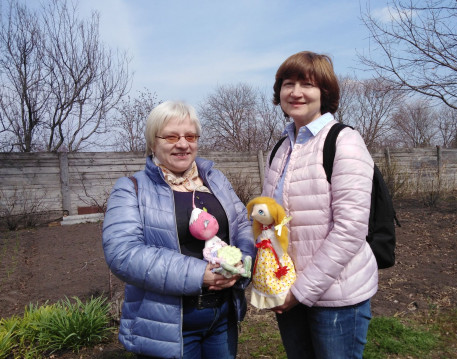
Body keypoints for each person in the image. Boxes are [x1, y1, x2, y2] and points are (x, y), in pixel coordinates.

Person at [102, 100, 256, 359]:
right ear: (153, 142)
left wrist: (243, 262)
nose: (183, 144)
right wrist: (200, 275)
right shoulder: (131, 188)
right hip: (169, 326)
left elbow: (242, 223)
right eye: (171, 136)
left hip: (222, 317)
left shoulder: (214, 179)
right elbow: (123, 254)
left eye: (190, 136)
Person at [261, 51, 378, 358]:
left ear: (324, 93)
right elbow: (271, 223)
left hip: (335, 298)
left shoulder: (343, 141)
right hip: (289, 292)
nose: (295, 92)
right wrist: (274, 280)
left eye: (307, 84)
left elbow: (350, 230)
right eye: (288, 83)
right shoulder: (281, 147)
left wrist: (300, 293)